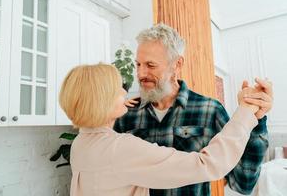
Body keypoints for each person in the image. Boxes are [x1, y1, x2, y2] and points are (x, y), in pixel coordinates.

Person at [114, 23, 273, 196]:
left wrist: (255, 118)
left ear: (177, 64)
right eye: (138, 64)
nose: (141, 73)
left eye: (150, 65)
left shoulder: (210, 111)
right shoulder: (125, 114)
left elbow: (243, 182)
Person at [60, 63, 263, 196]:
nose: (124, 91)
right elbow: (207, 164)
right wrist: (246, 112)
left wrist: (114, 110)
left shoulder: (81, 144)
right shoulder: (119, 148)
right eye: (116, 89)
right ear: (100, 102)